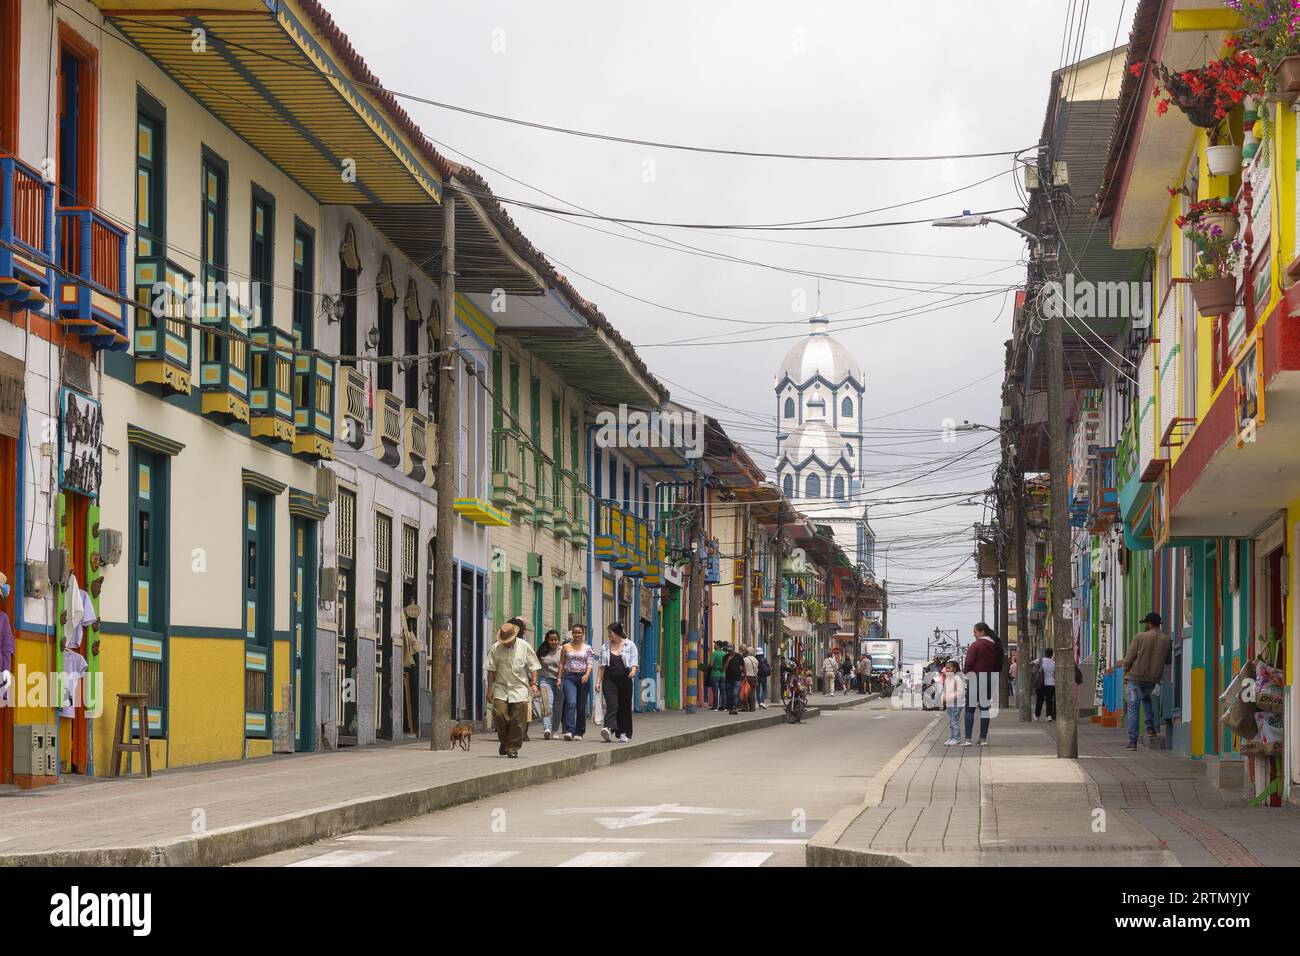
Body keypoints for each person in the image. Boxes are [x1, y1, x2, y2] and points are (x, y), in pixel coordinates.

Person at [1110, 612, 1172, 752]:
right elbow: (1168, 661)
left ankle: (1132, 741)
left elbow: (1130, 656)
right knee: (1147, 699)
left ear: (1149, 624)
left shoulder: (1140, 637)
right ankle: (1150, 728)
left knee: (1133, 707)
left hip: (1135, 678)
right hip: (1152, 679)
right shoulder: (1166, 639)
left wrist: (1125, 670)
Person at [484, 622, 541, 758]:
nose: (507, 643)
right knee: (499, 713)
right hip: (501, 687)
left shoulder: (524, 646)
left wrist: (534, 684)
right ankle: (505, 741)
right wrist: (489, 690)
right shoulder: (496, 648)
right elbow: (491, 670)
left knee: (518, 719)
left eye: (509, 641)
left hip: (519, 687)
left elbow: (534, 666)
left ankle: (512, 748)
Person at [961, 621, 1003, 747]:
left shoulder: (976, 645)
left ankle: (968, 739)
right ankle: (983, 739)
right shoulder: (995, 645)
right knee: (984, 709)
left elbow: (968, 663)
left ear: (982, 632)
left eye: (975, 632)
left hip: (976, 677)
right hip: (990, 677)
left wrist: (965, 673)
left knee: (969, 710)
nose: (974, 634)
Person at [597, 622, 638, 742]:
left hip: (625, 679)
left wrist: (633, 670)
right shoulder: (605, 646)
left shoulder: (630, 645)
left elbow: (634, 660)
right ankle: (608, 728)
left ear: (617, 632)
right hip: (609, 679)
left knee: (624, 706)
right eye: (608, 632)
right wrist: (598, 682)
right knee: (612, 704)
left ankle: (623, 732)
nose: (609, 635)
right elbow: (601, 666)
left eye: (611, 632)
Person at [558, 623, 595, 741]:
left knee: (581, 706)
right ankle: (569, 730)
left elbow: (590, 663)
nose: (577, 635)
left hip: (583, 677)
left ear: (583, 634)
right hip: (569, 677)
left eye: (579, 632)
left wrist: (587, 675)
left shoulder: (588, 648)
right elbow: (561, 663)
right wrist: (559, 678)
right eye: (575, 632)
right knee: (571, 703)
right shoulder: (566, 647)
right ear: (572, 633)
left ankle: (579, 731)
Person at [534, 629, 563, 739]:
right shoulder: (542, 650)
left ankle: (554, 730)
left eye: (556, 640)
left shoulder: (563, 650)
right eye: (551, 640)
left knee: (557, 707)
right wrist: (535, 682)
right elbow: (535, 666)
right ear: (547, 640)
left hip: (560, 681)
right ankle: (547, 728)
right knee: (547, 704)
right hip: (545, 680)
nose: (554, 642)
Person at [940, 660, 966, 746]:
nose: (947, 670)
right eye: (946, 668)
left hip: (956, 703)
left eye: (948, 668)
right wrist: (943, 697)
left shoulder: (957, 679)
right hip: (949, 703)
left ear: (954, 669)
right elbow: (945, 690)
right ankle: (952, 737)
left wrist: (949, 698)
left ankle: (957, 738)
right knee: (951, 721)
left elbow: (960, 692)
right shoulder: (947, 679)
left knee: (955, 721)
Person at [1034, 647, 1057, 722]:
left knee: (1039, 700)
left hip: (1041, 684)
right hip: (1051, 684)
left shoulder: (1041, 660)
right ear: (1051, 654)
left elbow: (1031, 663)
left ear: (1045, 653)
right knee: (1049, 700)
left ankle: (1037, 716)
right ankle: (1049, 716)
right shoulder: (1054, 663)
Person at [724, 642, 746, 714]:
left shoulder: (739, 656)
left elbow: (743, 666)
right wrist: (728, 661)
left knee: (735, 693)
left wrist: (745, 675)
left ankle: (734, 707)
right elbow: (724, 669)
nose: (729, 652)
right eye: (728, 650)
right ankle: (730, 708)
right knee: (729, 695)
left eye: (731, 650)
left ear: (733, 649)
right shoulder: (725, 657)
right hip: (728, 679)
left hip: (737, 678)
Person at [708, 641, 728, 711]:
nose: (714, 645)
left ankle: (715, 706)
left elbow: (711, 664)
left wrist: (707, 667)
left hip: (715, 673)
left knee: (715, 690)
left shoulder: (714, 653)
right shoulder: (724, 653)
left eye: (715, 644)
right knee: (723, 691)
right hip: (723, 674)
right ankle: (724, 706)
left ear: (718, 645)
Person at [742, 645, 759, 712]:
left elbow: (743, 669)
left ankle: (746, 707)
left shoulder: (745, 659)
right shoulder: (756, 660)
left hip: (746, 677)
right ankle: (752, 707)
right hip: (753, 677)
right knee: (752, 692)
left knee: (745, 692)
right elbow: (756, 670)